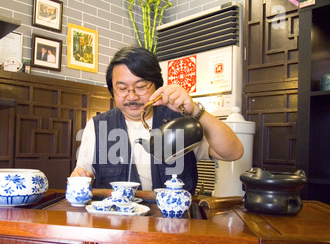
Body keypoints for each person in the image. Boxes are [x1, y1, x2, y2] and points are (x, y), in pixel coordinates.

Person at [70, 46, 243, 194]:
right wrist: (80, 176)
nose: (132, 96)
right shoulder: (97, 126)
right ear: (112, 90)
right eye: (122, 88)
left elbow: (233, 152)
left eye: (141, 87)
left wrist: (196, 111)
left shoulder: (181, 122)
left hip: (174, 225)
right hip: (117, 225)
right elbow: (82, 172)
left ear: (156, 85)